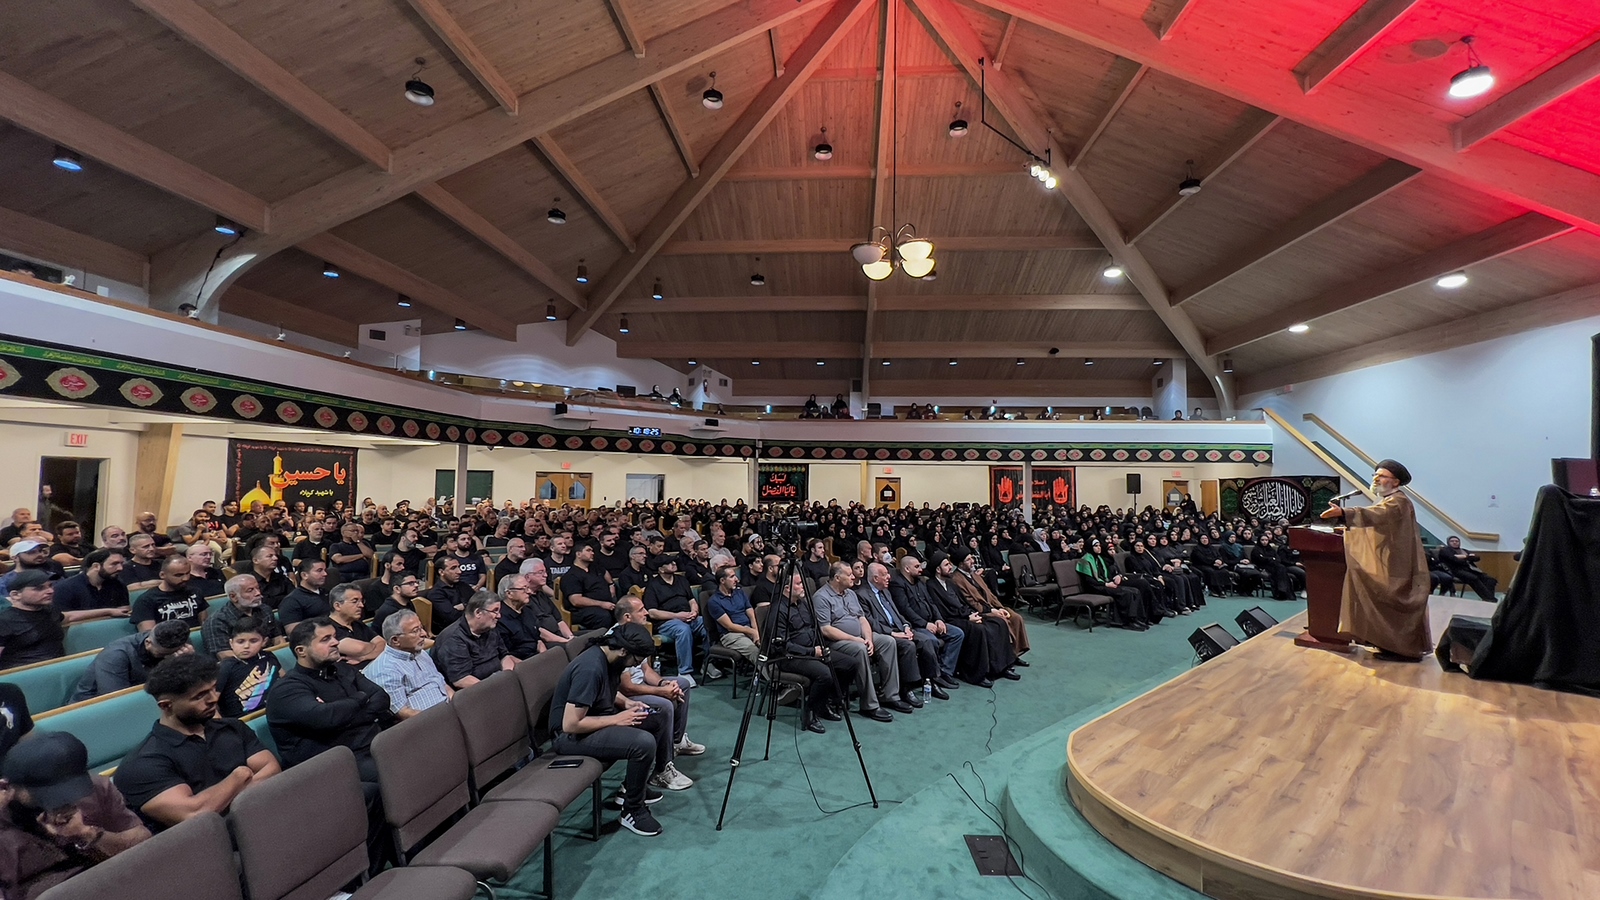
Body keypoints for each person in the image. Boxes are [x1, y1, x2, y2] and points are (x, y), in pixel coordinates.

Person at [113, 654, 280, 831]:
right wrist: (238, 777)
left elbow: (272, 769)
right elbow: (194, 815)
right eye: (200, 696)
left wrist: (220, 800)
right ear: (166, 706)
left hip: (261, 823)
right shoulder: (141, 764)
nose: (213, 699)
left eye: (213, 689)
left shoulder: (232, 727)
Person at [549, 623, 672, 836]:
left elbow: (604, 690)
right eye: (636, 660)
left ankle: (633, 789)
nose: (636, 665)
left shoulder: (609, 658)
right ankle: (632, 811)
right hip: (569, 737)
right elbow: (570, 724)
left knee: (657, 716)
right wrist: (617, 719)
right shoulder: (590, 668)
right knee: (643, 743)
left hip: (593, 720)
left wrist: (626, 703)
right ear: (623, 651)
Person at [0, 732, 150, 896]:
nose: (62, 801)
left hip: (109, 883)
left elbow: (144, 844)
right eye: (48, 794)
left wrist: (86, 833)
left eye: (68, 791)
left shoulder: (97, 788)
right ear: (8, 786)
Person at [1321, 459, 1433, 660]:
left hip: (1395, 565)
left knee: (1392, 603)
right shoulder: (1387, 499)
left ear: (1396, 481)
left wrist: (1344, 513)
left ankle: (1402, 650)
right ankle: (1387, 644)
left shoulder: (1398, 501)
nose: (1376, 479)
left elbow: (1377, 515)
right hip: (1388, 561)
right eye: (1375, 475)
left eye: (1381, 476)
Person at [266, 618, 393, 784]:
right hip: (331, 766)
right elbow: (327, 717)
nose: (335, 642)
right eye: (325, 639)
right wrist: (360, 697)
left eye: (334, 636)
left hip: (371, 744)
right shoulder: (287, 689)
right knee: (399, 771)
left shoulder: (341, 668)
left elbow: (381, 697)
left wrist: (345, 718)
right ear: (301, 651)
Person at [612, 598, 703, 791]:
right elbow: (626, 687)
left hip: (640, 686)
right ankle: (662, 770)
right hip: (624, 697)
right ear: (627, 616)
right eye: (641, 610)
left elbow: (646, 671)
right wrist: (661, 692)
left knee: (682, 684)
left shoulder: (638, 632)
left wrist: (664, 684)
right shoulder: (617, 639)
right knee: (665, 705)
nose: (646, 613)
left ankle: (676, 742)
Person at [813, 562, 905, 718]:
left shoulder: (851, 594)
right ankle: (869, 705)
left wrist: (868, 638)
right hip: (836, 642)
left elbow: (862, 619)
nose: (853, 577)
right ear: (837, 578)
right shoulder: (821, 597)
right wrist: (855, 639)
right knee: (860, 649)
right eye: (849, 575)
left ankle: (890, 695)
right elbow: (826, 629)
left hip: (860, 637)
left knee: (888, 642)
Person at [770, 571, 843, 734]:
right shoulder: (778, 610)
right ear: (787, 588)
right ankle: (809, 713)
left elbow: (814, 628)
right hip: (789, 657)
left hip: (813, 649)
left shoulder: (803, 604)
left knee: (849, 663)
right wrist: (811, 652)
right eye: (799, 584)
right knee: (824, 674)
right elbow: (782, 645)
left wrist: (820, 647)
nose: (803, 587)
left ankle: (824, 703)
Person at [857, 562, 934, 706]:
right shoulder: (862, 595)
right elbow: (870, 622)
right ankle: (906, 689)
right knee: (908, 646)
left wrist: (906, 627)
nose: (889, 577)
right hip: (884, 633)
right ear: (875, 578)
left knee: (926, 640)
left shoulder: (885, 591)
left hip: (900, 629)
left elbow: (897, 614)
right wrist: (893, 633)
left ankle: (931, 681)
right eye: (885, 574)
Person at [70, 620, 194, 702]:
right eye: (162, 655)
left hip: (149, 699)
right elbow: (117, 701)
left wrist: (188, 662)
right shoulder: (115, 655)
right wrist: (171, 666)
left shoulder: (180, 643)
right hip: (92, 708)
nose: (168, 657)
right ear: (148, 643)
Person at [890, 555, 963, 691]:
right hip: (916, 626)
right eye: (917, 566)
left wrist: (939, 619)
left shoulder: (920, 582)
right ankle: (934, 677)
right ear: (907, 569)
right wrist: (925, 624)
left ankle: (945, 672)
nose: (921, 569)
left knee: (957, 634)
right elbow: (905, 609)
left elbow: (931, 602)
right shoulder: (898, 584)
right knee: (932, 641)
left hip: (932, 622)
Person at [364, 610, 452, 720]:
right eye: (415, 631)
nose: (424, 634)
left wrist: (456, 704)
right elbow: (402, 713)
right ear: (395, 640)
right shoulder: (386, 670)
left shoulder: (420, 653)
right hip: (428, 721)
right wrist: (442, 719)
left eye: (421, 628)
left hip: (449, 710)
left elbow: (442, 683)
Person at [641, 556, 712, 686]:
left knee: (706, 622)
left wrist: (694, 611)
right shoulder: (653, 585)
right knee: (682, 629)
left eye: (673, 562)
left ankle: (708, 664)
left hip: (688, 617)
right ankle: (684, 672)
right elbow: (652, 612)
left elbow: (691, 600)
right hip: (667, 622)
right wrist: (677, 616)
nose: (673, 564)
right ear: (661, 569)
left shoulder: (681, 580)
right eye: (669, 563)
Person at [431, 591, 515, 689]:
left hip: (497, 681)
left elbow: (504, 655)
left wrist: (508, 677)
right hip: (476, 691)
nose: (499, 616)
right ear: (478, 613)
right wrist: (495, 689)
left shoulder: (490, 628)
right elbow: (461, 680)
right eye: (495, 611)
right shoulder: (452, 639)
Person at [203, 574, 282, 659]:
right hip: (240, 664)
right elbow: (224, 655)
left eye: (258, 588)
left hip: (270, 659)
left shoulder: (265, 609)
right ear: (233, 597)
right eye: (250, 590)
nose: (258, 593)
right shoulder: (217, 621)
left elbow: (278, 639)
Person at [215, 617, 281, 718]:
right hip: (242, 720)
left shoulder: (269, 656)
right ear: (231, 643)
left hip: (274, 710)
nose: (246, 646)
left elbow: (284, 680)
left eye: (253, 641)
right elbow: (211, 702)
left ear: (264, 641)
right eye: (240, 642)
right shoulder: (225, 667)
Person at [0, 571, 67, 669]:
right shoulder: (4, 620)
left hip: (60, 668)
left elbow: (68, 617)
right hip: (23, 673)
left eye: (50, 585)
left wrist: (93, 612)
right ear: (16, 595)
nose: (50, 591)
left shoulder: (50, 610)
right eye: (39, 588)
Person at [130, 555, 206, 632]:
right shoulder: (146, 600)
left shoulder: (195, 592)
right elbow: (148, 634)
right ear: (162, 575)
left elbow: (204, 623)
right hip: (167, 638)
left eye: (187, 573)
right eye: (178, 575)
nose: (185, 578)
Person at [50, 548, 132, 619]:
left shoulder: (118, 584)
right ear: (96, 566)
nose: (120, 568)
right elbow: (62, 618)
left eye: (121, 564)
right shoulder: (65, 588)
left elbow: (123, 611)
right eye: (114, 564)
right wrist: (108, 612)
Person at [706, 565, 759, 667]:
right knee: (754, 651)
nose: (736, 579)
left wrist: (755, 630)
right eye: (732, 577)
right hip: (731, 634)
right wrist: (752, 632)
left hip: (749, 628)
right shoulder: (714, 601)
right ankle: (772, 676)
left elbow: (750, 613)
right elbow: (729, 626)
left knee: (768, 646)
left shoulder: (740, 592)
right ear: (722, 580)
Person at [561, 543, 615, 632]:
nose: (592, 553)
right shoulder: (571, 576)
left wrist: (611, 585)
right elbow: (576, 601)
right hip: (582, 610)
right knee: (603, 616)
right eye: (588, 550)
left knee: (625, 610)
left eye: (592, 551)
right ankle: (600, 638)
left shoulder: (595, 568)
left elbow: (605, 573)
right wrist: (602, 604)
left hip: (607, 604)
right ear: (578, 554)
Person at [329, 584, 385, 668]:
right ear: (337, 606)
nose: (361, 605)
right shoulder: (328, 628)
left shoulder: (357, 623)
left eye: (362, 601)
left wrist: (363, 657)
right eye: (355, 601)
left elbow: (383, 643)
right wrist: (374, 646)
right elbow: (360, 648)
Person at [1436, 536, 1498, 602]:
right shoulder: (1445, 550)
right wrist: (1468, 557)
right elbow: (1453, 559)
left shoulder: (1463, 550)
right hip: (1455, 570)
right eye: (1452, 541)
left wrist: (1464, 557)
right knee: (1473, 578)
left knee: (1490, 580)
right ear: (1448, 542)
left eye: (1457, 541)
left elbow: (1477, 557)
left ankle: (1488, 598)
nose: (1455, 542)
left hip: (1469, 569)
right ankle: (1490, 599)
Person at [278, 559, 331, 631]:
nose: (325, 574)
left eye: (325, 570)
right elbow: (293, 632)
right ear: (304, 575)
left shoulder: (327, 593)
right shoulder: (292, 601)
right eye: (319, 570)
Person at [424, 556, 473, 630]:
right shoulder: (435, 594)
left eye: (458, 567)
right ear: (441, 572)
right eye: (453, 568)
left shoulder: (463, 585)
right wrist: (471, 607)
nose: (459, 571)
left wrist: (464, 606)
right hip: (452, 630)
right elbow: (452, 617)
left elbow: (479, 601)